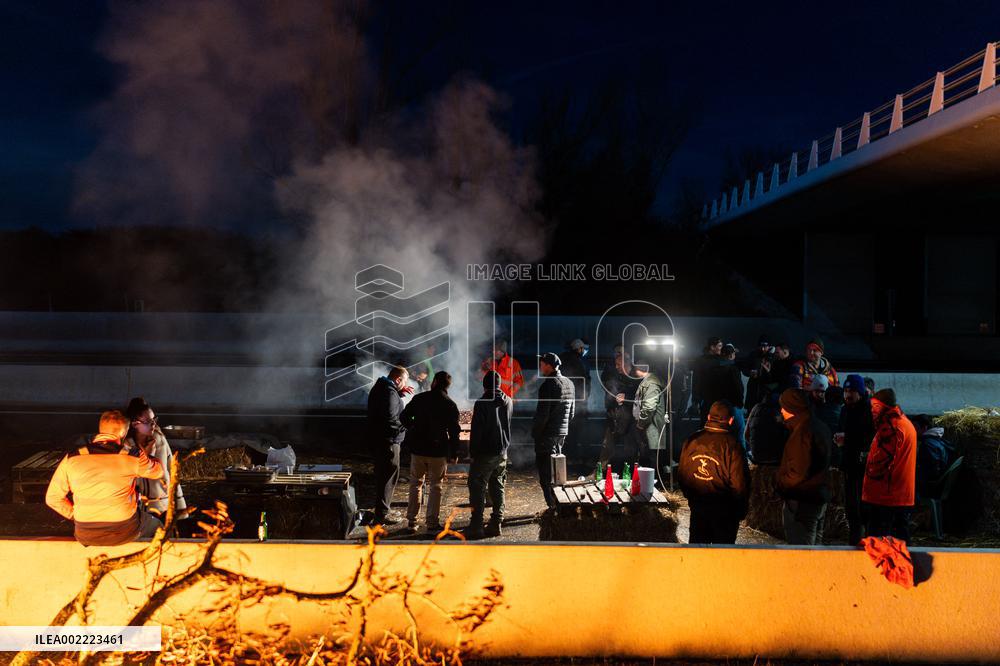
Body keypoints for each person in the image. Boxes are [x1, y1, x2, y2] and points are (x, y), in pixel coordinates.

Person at [45, 410, 165, 546]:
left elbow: (52, 498)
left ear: (101, 429)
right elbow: (158, 472)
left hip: (85, 534)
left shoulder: (72, 458)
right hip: (124, 531)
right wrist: (148, 453)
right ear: (123, 433)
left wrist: (76, 515)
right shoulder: (131, 456)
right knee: (158, 527)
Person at [678, 401, 751, 544]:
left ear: (708, 417)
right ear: (731, 420)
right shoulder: (733, 445)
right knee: (722, 557)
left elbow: (682, 475)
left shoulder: (692, 440)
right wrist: (740, 510)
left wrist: (692, 497)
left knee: (697, 553)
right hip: (725, 513)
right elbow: (740, 484)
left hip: (698, 508)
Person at [400, 371, 460, 533]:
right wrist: (454, 453)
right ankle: (432, 522)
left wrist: (413, 426)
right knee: (436, 487)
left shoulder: (420, 399)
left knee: (415, 484)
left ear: (434, 382)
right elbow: (454, 432)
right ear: (448, 386)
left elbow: (404, 417)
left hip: (418, 449)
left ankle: (412, 521)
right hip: (438, 451)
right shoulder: (450, 404)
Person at [777, 388, 833, 545]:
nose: (781, 410)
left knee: (802, 552)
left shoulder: (802, 432)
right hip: (818, 496)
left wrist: (781, 483)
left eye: (783, 406)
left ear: (791, 408)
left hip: (802, 501)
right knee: (815, 550)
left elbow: (797, 473)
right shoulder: (819, 426)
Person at [862, 388, 917, 541]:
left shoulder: (890, 428)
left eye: (876, 406)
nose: (872, 410)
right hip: (897, 494)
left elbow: (882, 461)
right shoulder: (903, 422)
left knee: (881, 545)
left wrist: (867, 467)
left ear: (885, 407)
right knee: (900, 541)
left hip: (886, 496)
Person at [466, 371, 513, 539]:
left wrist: (472, 452)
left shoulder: (482, 403)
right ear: (499, 385)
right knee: (498, 485)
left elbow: (477, 431)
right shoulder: (508, 400)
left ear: (484, 385)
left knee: (477, 486)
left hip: (485, 453)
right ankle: (496, 523)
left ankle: (476, 525)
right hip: (502, 451)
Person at [125, 397, 188, 519]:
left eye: (154, 419)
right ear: (134, 424)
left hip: (161, 506)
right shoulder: (126, 447)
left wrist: (180, 506)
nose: (154, 424)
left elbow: (171, 469)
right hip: (134, 508)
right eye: (148, 421)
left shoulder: (160, 441)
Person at [366, 365, 414, 525]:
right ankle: (382, 515)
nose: (405, 385)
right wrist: (406, 427)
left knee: (383, 476)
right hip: (389, 442)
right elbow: (391, 419)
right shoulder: (389, 393)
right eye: (404, 381)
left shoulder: (381, 387)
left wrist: (398, 393)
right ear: (398, 379)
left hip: (378, 440)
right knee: (388, 477)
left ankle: (381, 511)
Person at [531, 352, 575, 507]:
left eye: (542, 363)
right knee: (558, 472)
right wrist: (561, 428)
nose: (540, 366)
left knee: (546, 475)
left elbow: (542, 414)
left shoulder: (548, 385)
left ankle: (553, 507)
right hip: (561, 434)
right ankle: (559, 504)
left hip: (546, 436)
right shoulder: (569, 383)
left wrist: (535, 433)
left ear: (549, 365)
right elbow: (571, 413)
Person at [836, 374, 873, 544]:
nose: (847, 395)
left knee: (863, 507)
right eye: (845, 391)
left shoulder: (869, 410)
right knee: (851, 507)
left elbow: (869, 437)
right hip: (849, 464)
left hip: (863, 466)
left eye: (851, 391)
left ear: (859, 392)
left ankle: (865, 539)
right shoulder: (845, 410)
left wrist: (847, 438)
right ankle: (854, 539)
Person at [598, 352, 641, 468]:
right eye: (615, 364)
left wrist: (626, 398)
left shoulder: (637, 376)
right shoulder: (616, 375)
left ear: (626, 363)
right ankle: (601, 471)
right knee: (607, 446)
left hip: (632, 420)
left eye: (618, 364)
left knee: (630, 449)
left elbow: (643, 397)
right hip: (616, 416)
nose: (616, 367)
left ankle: (632, 473)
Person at [703, 344, 745, 450]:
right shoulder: (733, 369)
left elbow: (708, 387)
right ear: (731, 355)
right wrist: (740, 403)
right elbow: (738, 388)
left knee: (720, 433)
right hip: (733, 405)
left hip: (717, 406)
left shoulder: (712, 369)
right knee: (739, 433)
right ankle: (741, 459)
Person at [560, 338, 592, 459]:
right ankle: (578, 457)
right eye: (583, 348)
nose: (584, 351)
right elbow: (582, 381)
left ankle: (569, 456)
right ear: (578, 348)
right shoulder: (577, 362)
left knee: (568, 430)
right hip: (578, 401)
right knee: (578, 430)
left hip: (568, 400)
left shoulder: (565, 359)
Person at [632, 360, 667, 469]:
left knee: (652, 458)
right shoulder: (648, 382)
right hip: (649, 426)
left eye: (634, 369)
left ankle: (652, 482)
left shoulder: (650, 383)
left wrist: (641, 423)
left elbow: (649, 407)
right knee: (650, 456)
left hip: (651, 427)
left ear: (639, 369)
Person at [912, 414, 955, 497]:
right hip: (941, 485)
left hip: (932, 488)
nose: (913, 431)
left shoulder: (928, 444)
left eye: (915, 427)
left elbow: (931, 471)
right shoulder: (939, 440)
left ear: (924, 427)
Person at [744, 391, 788, 465]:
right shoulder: (781, 412)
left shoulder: (756, 408)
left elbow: (746, 435)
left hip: (757, 457)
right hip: (777, 458)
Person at [691, 336, 723, 418]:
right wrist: (695, 400)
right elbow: (696, 380)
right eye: (719, 346)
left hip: (719, 399)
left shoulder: (722, 360)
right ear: (712, 347)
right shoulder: (700, 361)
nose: (721, 348)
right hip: (705, 399)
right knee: (705, 422)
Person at [741, 335, 773, 410]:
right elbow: (744, 368)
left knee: (764, 412)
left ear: (769, 346)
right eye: (761, 346)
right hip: (753, 387)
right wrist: (750, 372)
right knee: (751, 410)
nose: (762, 349)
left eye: (765, 346)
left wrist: (768, 372)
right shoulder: (753, 355)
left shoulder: (773, 357)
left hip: (765, 389)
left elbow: (775, 375)